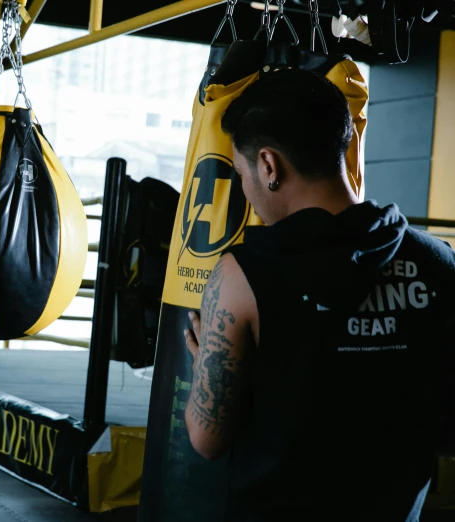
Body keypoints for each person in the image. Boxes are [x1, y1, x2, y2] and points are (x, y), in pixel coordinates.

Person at [182, 68, 455, 521]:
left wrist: (206, 368)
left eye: (242, 172)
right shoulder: (438, 263)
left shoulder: (242, 276)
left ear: (268, 165)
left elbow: (206, 439)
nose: (246, 191)